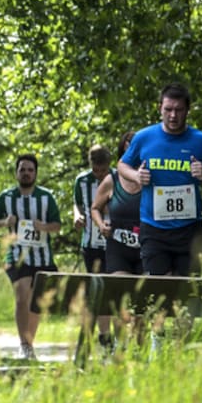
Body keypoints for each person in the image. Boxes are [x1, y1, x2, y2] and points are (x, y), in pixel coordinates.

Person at [117, 84, 202, 352]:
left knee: (186, 291)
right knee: (161, 286)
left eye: (179, 110)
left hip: (190, 230)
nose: (173, 115)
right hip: (154, 229)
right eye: (168, 109)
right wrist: (136, 176)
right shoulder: (144, 138)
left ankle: (179, 348)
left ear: (188, 110)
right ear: (160, 109)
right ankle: (157, 342)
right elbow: (122, 165)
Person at [0, 154, 62, 360]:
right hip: (16, 256)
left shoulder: (46, 197)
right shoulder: (6, 197)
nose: (26, 173)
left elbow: (57, 225)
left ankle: (29, 342)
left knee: (36, 302)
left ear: (36, 173)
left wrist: (43, 227)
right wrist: (5, 222)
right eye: (23, 170)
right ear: (16, 173)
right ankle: (24, 344)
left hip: (43, 257)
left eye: (30, 170)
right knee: (21, 297)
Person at [90, 131, 140, 352]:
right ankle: (120, 348)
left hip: (146, 248)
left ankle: (139, 350)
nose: (132, 154)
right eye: (127, 149)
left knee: (142, 306)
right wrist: (101, 225)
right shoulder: (111, 180)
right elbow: (94, 208)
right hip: (118, 248)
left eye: (136, 149)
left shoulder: (152, 178)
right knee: (121, 298)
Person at [73, 144, 112, 274]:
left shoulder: (118, 178)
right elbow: (77, 203)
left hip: (113, 241)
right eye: (96, 170)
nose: (100, 174)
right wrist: (78, 216)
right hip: (90, 242)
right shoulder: (82, 180)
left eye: (103, 170)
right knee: (94, 284)